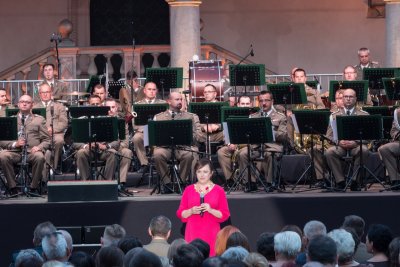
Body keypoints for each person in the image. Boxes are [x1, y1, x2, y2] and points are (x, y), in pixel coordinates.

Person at [176, 158, 230, 256]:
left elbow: (225, 214)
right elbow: (180, 213)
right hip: (192, 232)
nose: (202, 175)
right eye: (199, 171)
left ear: (211, 173)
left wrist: (211, 210)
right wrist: (191, 211)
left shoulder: (219, 190)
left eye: (205, 172)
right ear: (195, 173)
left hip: (211, 232)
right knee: (192, 260)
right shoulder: (188, 190)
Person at [237, 90, 287, 192]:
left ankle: (270, 183)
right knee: (243, 154)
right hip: (256, 147)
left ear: (272, 101)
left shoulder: (280, 116)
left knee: (270, 154)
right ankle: (250, 183)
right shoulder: (253, 116)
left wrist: (270, 131)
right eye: (261, 101)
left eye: (267, 100)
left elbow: (283, 136)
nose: (264, 103)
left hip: (273, 146)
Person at [0, 94, 50, 195]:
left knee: (39, 157)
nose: (24, 104)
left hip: (31, 152)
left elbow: (47, 140)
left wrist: (39, 147)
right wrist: (15, 144)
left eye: (27, 102)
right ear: (18, 104)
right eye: (22, 102)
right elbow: (2, 140)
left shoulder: (39, 120)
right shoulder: (10, 119)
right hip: (15, 152)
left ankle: (34, 187)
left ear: (32, 105)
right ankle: (12, 187)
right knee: (3, 155)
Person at [153, 92, 201, 193]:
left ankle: (182, 182)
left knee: (188, 154)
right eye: (177, 99)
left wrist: (188, 137)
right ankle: (167, 184)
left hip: (183, 147)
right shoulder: (158, 117)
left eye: (181, 99)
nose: (180, 102)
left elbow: (199, 136)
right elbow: (154, 137)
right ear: (169, 101)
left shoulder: (191, 116)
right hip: (165, 147)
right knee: (157, 154)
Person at [325, 88, 370, 191]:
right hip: (341, 146)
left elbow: (369, 136)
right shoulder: (334, 115)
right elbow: (329, 136)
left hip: (357, 145)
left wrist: (355, 142)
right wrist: (338, 141)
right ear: (343, 98)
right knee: (329, 152)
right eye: (346, 97)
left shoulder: (364, 114)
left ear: (355, 99)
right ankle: (340, 181)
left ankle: (355, 181)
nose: (348, 99)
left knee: (364, 150)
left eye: (351, 97)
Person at [74, 95, 117, 180]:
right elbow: (74, 142)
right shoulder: (82, 120)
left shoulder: (109, 119)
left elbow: (116, 140)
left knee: (113, 153)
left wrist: (106, 146)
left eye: (97, 103)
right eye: (93, 104)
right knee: (80, 153)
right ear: (88, 105)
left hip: (104, 149)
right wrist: (86, 146)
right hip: (88, 149)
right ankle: (87, 182)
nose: (95, 106)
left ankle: (107, 183)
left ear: (101, 105)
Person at [33, 83, 68, 179]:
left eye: (47, 92)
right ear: (39, 94)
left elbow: (64, 123)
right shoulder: (34, 107)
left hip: (55, 133)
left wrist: (53, 129)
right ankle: (40, 171)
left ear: (51, 93)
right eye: (43, 92)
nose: (45, 94)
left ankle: (54, 167)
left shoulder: (59, 106)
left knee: (59, 141)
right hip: (40, 134)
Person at [217, 95, 254, 186]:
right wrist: (230, 143)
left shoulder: (255, 116)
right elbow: (226, 131)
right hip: (235, 144)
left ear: (251, 104)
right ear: (238, 104)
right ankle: (230, 180)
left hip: (249, 145)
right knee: (221, 152)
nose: (245, 106)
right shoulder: (231, 115)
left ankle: (247, 182)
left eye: (247, 104)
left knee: (243, 153)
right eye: (242, 104)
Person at [132, 81, 166, 174]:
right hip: (143, 132)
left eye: (154, 89)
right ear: (144, 91)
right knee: (136, 138)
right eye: (149, 89)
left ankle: (158, 163)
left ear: (157, 91)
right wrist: (145, 129)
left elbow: (166, 120)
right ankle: (144, 164)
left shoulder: (163, 104)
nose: (151, 91)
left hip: (158, 132)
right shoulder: (137, 105)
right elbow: (134, 124)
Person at [104, 98, 132, 190]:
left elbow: (125, 142)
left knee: (127, 152)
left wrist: (117, 146)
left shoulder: (122, 122)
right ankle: (108, 182)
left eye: (113, 107)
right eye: (108, 107)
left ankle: (122, 182)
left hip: (118, 147)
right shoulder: (99, 119)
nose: (111, 110)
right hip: (103, 149)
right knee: (112, 152)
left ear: (117, 108)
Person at [377, 107, 400, 191]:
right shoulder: (398, 112)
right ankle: (396, 180)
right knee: (384, 149)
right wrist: (397, 135)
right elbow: (393, 131)